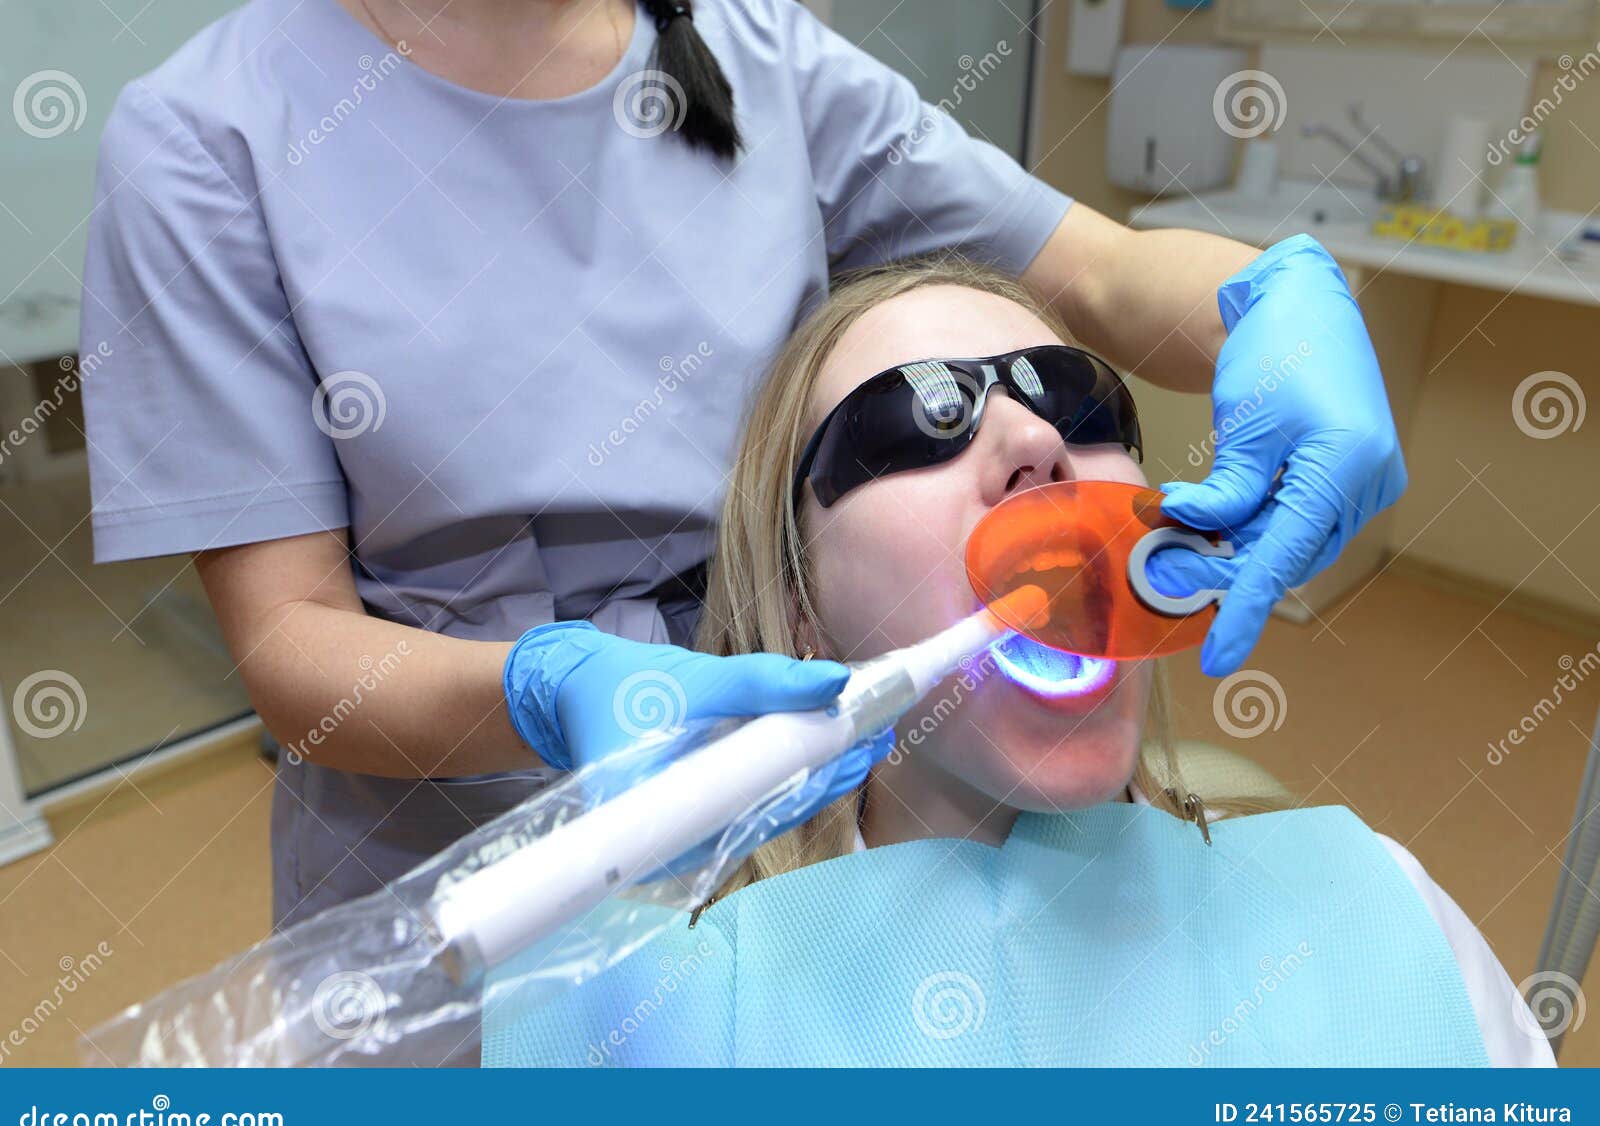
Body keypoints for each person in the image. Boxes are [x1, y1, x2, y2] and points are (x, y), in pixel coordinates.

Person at [79, 0, 1405, 929]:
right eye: (937, 418)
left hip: (805, 823)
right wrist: (547, 688)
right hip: (456, 861)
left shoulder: (750, 49)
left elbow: (1101, 271)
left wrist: (1274, 298)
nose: (1033, 441)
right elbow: (291, 637)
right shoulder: (213, 137)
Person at [481, 260, 1550, 1067]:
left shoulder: (1384, 921)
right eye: (917, 419)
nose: (1037, 439)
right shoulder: (649, 1024)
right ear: (800, 607)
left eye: (1080, 400)